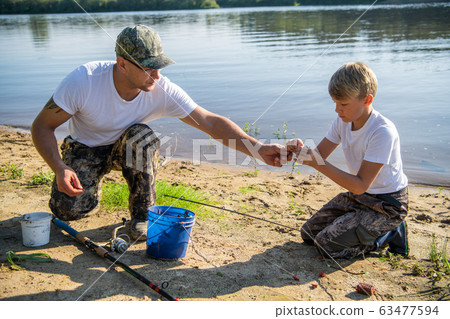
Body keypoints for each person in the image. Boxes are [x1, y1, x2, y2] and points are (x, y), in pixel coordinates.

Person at [31, 25, 286, 241]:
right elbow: (42, 126)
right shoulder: (83, 80)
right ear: (122, 64)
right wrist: (59, 167)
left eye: (159, 66)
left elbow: (210, 122)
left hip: (129, 148)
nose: (157, 74)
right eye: (148, 67)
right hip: (85, 148)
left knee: (142, 136)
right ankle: (92, 185)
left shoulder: (160, 87)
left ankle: (143, 214)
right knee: (67, 212)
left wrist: (259, 149)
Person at [287, 62, 409, 259]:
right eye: (335, 102)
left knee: (325, 245)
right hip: (360, 198)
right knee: (308, 234)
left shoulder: (382, 132)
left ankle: (389, 232)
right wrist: (298, 149)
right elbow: (318, 156)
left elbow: (360, 184)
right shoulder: (342, 122)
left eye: (343, 104)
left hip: (387, 204)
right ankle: (358, 224)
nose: (337, 110)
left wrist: (317, 162)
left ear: (367, 100)